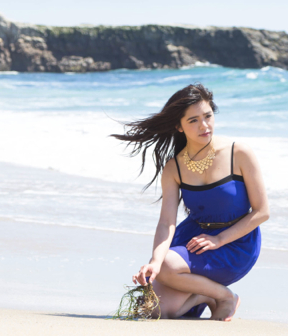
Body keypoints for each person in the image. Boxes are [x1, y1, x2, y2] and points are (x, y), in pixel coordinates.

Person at [113, 83, 268, 321]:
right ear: (179, 126)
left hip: (236, 243)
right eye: (193, 120)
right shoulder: (174, 167)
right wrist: (154, 261)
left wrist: (219, 240)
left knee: (167, 267)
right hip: (194, 239)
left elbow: (261, 212)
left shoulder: (239, 153)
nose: (204, 126)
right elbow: (167, 222)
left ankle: (226, 297)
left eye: (208, 116)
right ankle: (206, 296)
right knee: (155, 310)